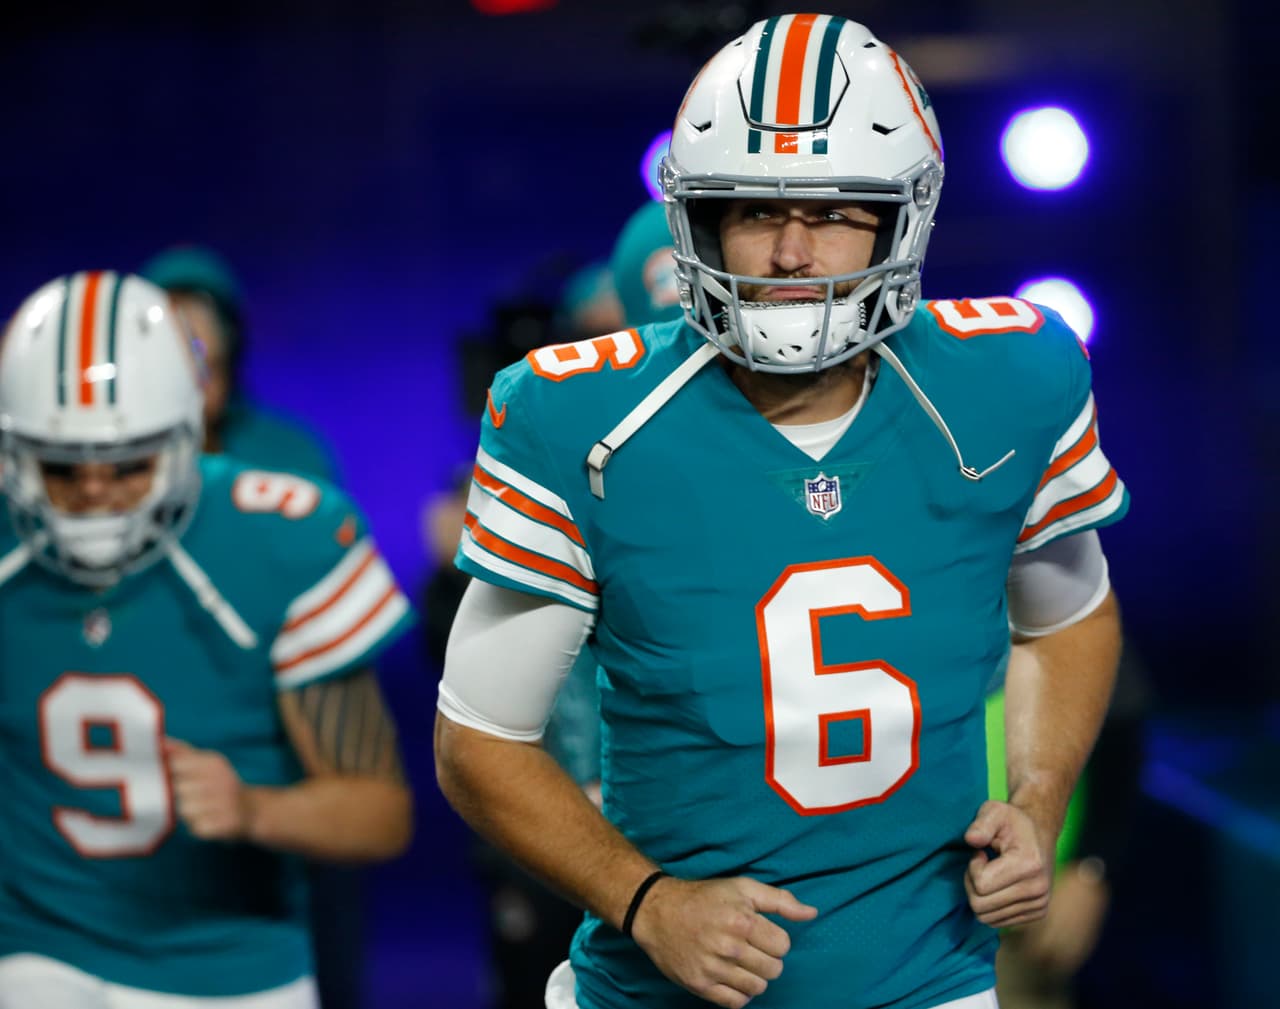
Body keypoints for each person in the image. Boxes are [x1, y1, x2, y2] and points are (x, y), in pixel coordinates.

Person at [434, 14, 1127, 1009]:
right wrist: (647, 900)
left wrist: (1036, 795)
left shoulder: (1008, 378)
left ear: (906, 216)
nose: (793, 253)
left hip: (931, 984)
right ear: (696, 221)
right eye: (753, 210)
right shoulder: (577, 421)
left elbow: (1066, 618)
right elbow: (479, 738)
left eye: (836, 210)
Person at [0, 271, 414, 1008]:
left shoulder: (280, 542)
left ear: (191, 434)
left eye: (127, 462)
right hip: (32, 949)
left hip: (227, 965)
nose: (94, 491)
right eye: (63, 466)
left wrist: (257, 809)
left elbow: (379, 815)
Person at [139, 244, 341, 483]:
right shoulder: (107, 466)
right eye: (175, 373)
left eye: (209, 369)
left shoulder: (292, 455)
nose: (193, 389)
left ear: (232, 351)